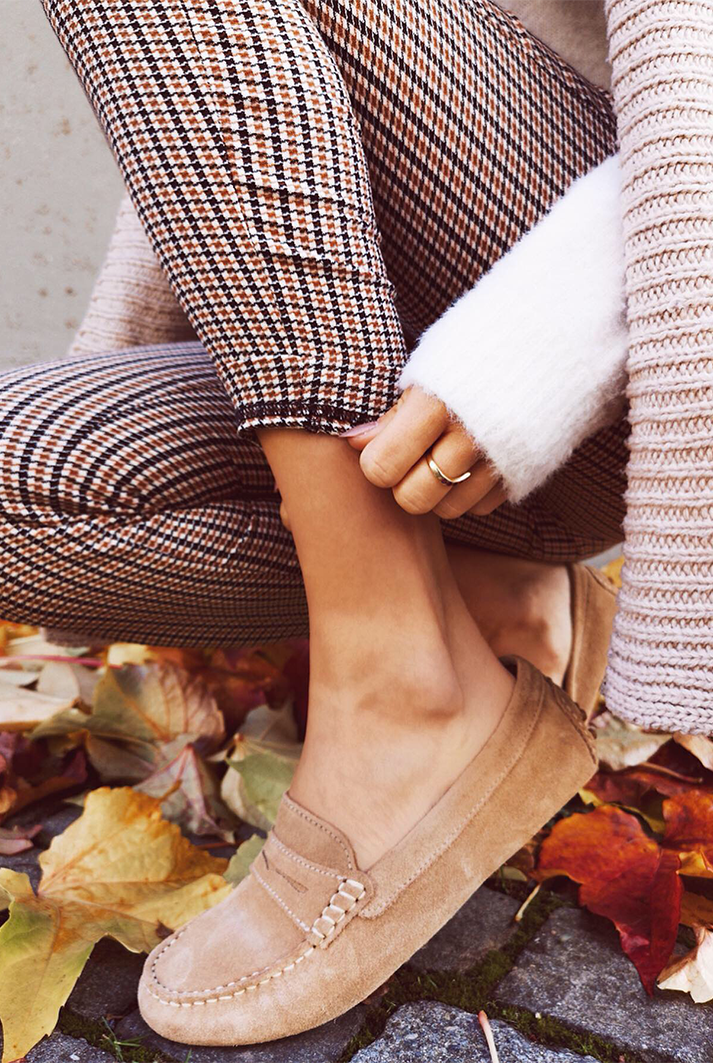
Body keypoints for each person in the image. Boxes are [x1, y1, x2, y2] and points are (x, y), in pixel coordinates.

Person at [1, 0, 710, 1045]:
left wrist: (549, 338)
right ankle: (486, 603)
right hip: (380, 320)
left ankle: (393, 671)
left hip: (650, 275)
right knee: (23, 493)